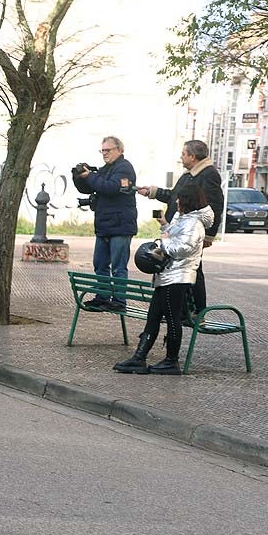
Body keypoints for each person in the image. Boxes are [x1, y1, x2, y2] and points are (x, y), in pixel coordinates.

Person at [114, 183, 212, 376]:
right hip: (166, 273)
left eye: (179, 199)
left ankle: (171, 361)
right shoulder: (183, 218)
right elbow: (174, 237)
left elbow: (182, 249)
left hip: (178, 276)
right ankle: (139, 358)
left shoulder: (194, 223)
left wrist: (163, 242)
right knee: (153, 317)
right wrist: (164, 225)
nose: (176, 201)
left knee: (172, 318)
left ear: (187, 201)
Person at [136, 139, 223, 312]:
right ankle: (180, 310)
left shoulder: (208, 175)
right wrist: (152, 192)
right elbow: (174, 196)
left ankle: (198, 311)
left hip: (191, 232)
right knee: (176, 270)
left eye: (184, 154)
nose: (181, 157)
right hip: (176, 229)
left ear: (193, 156)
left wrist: (208, 235)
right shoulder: (188, 174)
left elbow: (215, 205)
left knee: (193, 271)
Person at [74, 136, 137, 311]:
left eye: (107, 150)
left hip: (120, 226)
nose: (104, 154)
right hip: (104, 225)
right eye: (102, 150)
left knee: (118, 267)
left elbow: (110, 187)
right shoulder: (105, 169)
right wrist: (79, 177)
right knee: (100, 264)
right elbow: (89, 187)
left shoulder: (125, 168)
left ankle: (119, 301)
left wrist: (91, 176)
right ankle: (102, 297)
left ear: (119, 150)